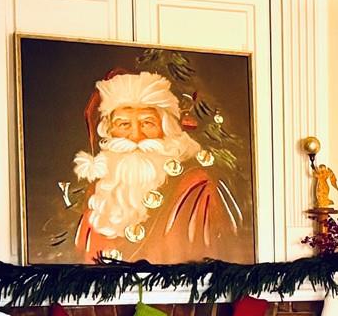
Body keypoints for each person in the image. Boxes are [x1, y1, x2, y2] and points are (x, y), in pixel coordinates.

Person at [70, 68, 243, 262]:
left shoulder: (196, 186)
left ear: (167, 130)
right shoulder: (98, 195)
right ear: (109, 133)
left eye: (147, 123)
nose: (136, 137)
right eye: (124, 124)